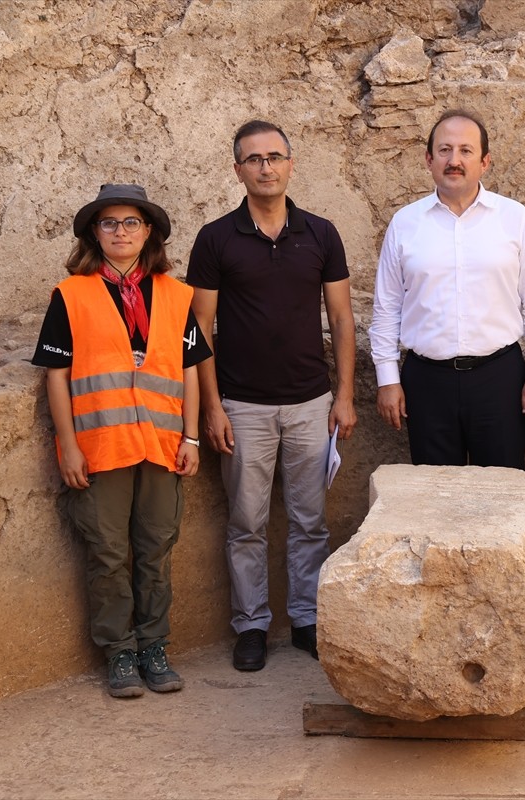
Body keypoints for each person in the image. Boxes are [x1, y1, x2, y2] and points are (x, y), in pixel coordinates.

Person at [187, 119, 356, 672]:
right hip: (242, 406)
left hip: (311, 403)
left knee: (310, 521)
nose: (266, 168)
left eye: (275, 157)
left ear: (290, 164)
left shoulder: (321, 233)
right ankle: (252, 625)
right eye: (254, 159)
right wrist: (212, 407)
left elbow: (341, 318)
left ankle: (306, 618)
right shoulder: (216, 238)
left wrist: (344, 395)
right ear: (238, 169)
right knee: (246, 525)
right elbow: (200, 328)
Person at [33, 183, 209, 697]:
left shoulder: (176, 296)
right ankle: (120, 652)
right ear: (95, 232)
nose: (121, 231)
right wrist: (68, 445)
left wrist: (192, 437)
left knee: (156, 549)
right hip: (101, 448)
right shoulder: (71, 295)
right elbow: (57, 376)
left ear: (148, 231)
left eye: (131, 222)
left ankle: (154, 646)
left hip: (161, 445)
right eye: (109, 222)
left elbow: (190, 370)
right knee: (107, 553)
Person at [369, 109, 525, 468]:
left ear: (484, 161)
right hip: (426, 383)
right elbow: (386, 308)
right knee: (435, 490)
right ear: (429, 159)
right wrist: (387, 380)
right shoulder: (404, 224)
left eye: (466, 150)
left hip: (499, 380)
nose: (454, 160)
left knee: (502, 486)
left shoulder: (514, 218)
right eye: (444, 150)